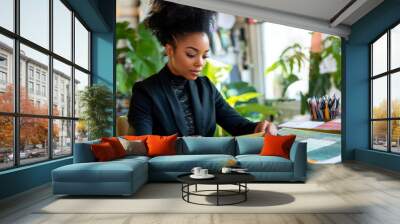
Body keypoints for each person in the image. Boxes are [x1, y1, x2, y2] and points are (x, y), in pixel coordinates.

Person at [128, 0, 277, 137]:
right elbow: (144, 143)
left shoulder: (206, 87)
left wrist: (260, 127)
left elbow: (239, 126)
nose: (200, 63)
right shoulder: (146, 92)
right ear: (170, 50)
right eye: (191, 54)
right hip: (168, 166)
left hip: (207, 166)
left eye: (205, 56)